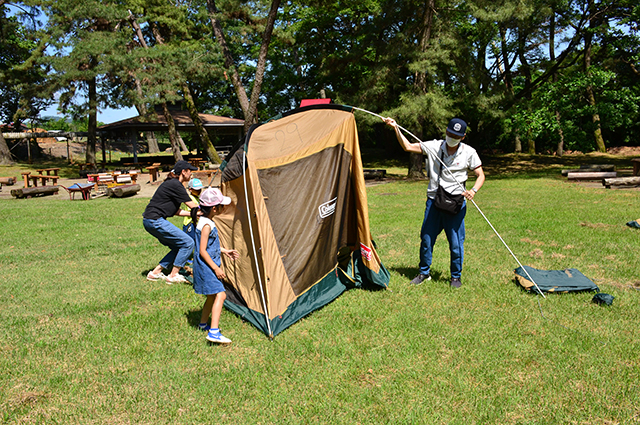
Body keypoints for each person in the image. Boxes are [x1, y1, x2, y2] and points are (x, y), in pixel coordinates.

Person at [384, 117, 485, 288]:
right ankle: (424, 273)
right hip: (434, 201)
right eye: (450, 133)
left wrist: (473, 190)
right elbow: (408, 146)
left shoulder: (469, 152)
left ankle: (455, 277)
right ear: (446, 131)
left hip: (456, 203)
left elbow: (480, 175)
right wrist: (395, 128)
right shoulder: (433, 146)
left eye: (456, 135)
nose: (452, 137)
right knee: (427, 239)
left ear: (463, 136)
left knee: (455, 243)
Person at [190, 187, 239, 344]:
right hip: (207, 267)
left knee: (211, 296)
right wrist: (216, 268)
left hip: (206, 265)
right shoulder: (206, 225)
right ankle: (214, 332)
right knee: (221, 294)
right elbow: (203, 251)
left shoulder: (206, 221)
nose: (224, 207)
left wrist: (225, 251)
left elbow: (211, 246)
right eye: (222, 205)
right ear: (214, 208)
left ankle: (203, 324)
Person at [143, 160, 199, 284]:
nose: (192, 174)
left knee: (178, 246)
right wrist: (206, 210)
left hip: (150, 220)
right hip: (155, 220)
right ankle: (173, 275)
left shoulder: (172, 184)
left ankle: (155, 272)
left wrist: (195, 213)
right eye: (190, 171)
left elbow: (175, 211)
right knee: (189, 242)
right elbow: (193, 206)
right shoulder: (176, 185)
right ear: (183, 172)